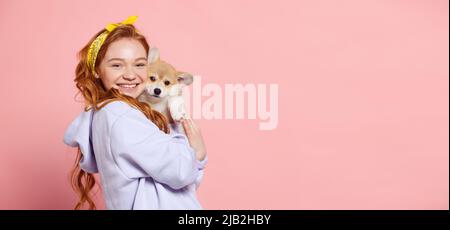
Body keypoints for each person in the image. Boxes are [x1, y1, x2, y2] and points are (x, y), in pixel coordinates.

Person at [63, 16, 208, 210]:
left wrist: (191, 161)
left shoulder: (118, 113)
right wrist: (197, 152)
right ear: (97, 70)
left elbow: (187, 185)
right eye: (117, 65)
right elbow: (181, 172)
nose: (130, 74)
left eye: (139, 64)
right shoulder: (119, 115)